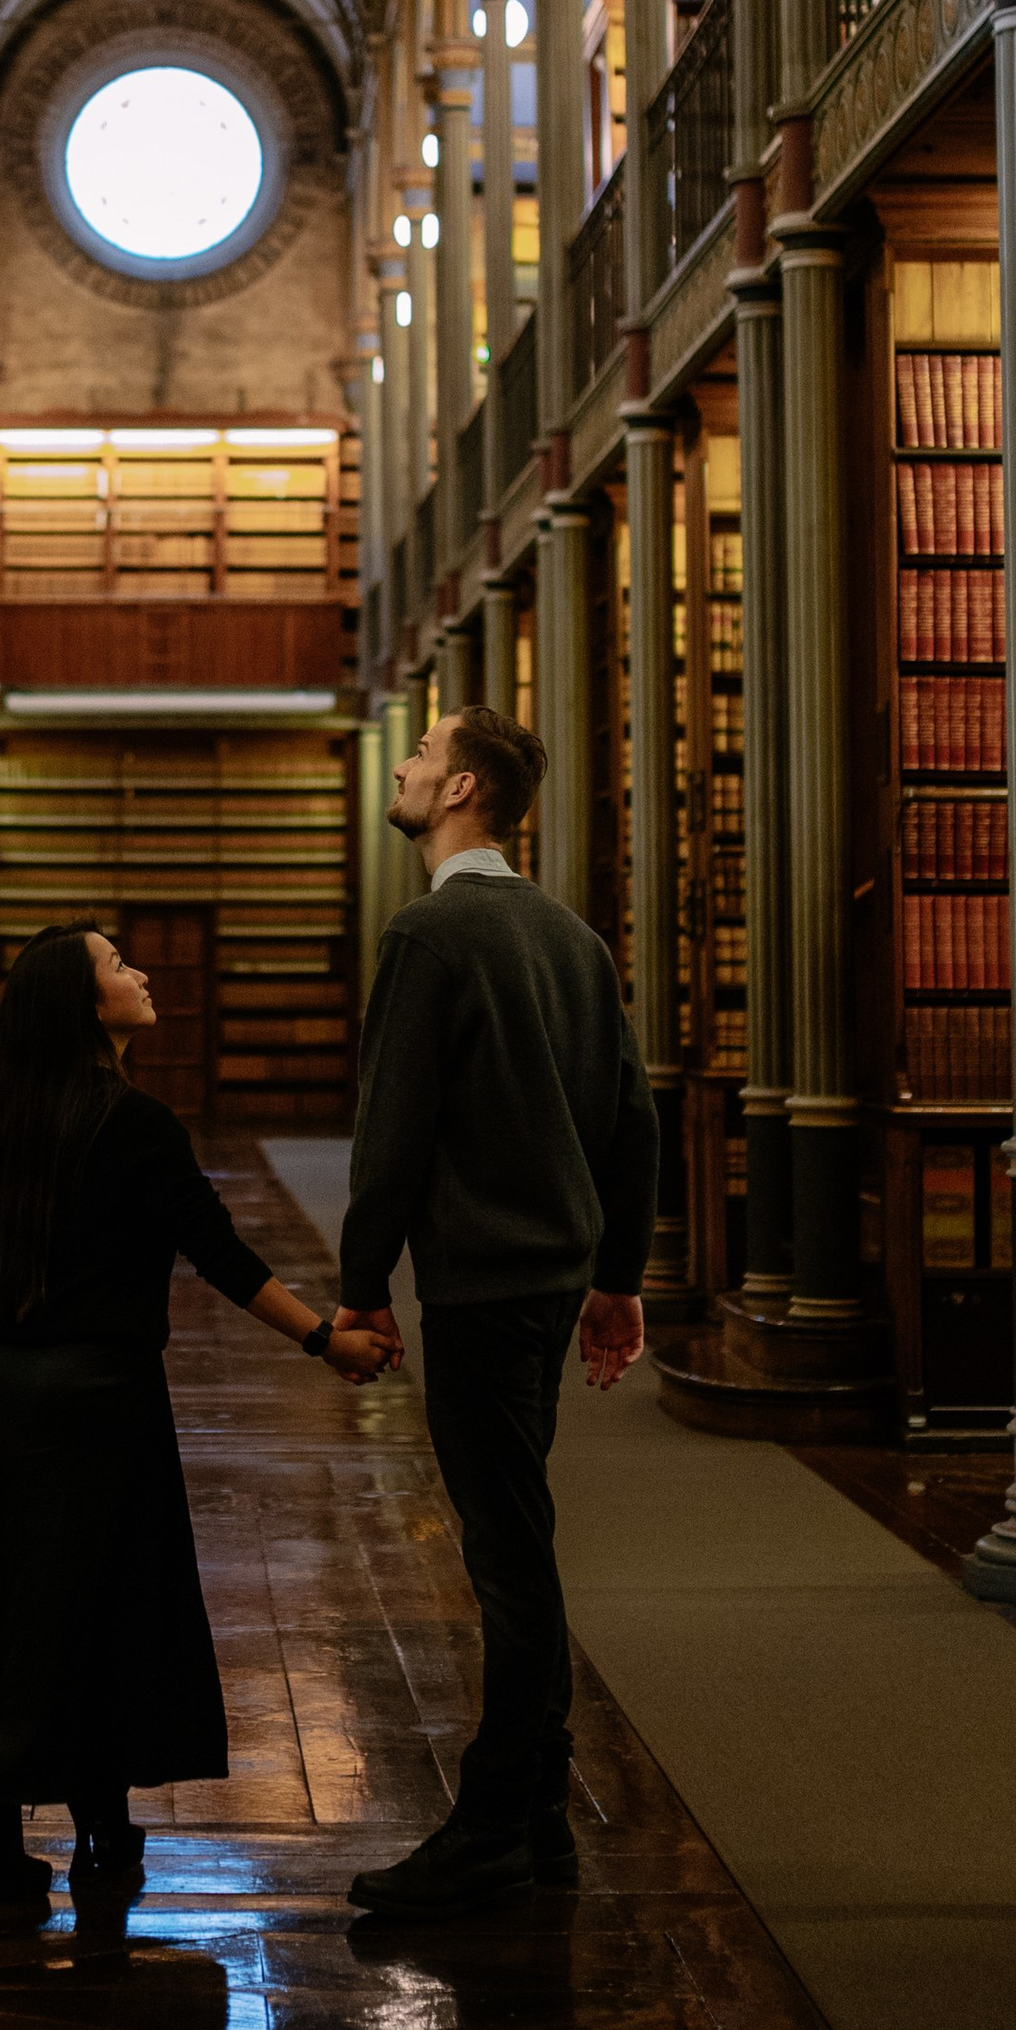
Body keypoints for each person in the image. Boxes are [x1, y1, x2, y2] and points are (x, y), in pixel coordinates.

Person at [0, 918, 394, 1904]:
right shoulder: (133, 1122)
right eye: (116, 962)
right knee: (104, 1606)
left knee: (4, 1605)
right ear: (90, 1004)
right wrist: (324, 1338)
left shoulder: (0, 1121)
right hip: (102, 1395)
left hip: (6, 1391)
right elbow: (220, 1254)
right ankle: (104, 1826)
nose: (138, 970)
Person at [333, 701, 657, 1921]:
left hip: (477, 1282)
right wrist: (617, 1276)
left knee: (508, 1555)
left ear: (461, 787)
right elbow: (632, 1123)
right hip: (552, 1278)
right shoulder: (571, 938)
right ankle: (537, 1815)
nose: (405, 768)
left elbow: (393, 1130)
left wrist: (364, 1282)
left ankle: (492, 1823)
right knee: (517, 1535)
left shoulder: (433, 933)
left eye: (419, 755)